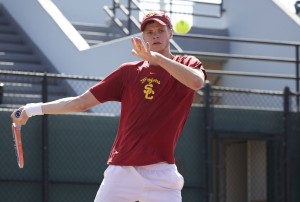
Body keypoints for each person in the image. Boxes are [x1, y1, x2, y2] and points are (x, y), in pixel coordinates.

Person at [11, 11, 207, 202]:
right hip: (122, 171)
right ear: (143, 36)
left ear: (170, 33)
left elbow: (197, 82)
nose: (155, 34)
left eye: (160, 30)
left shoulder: (187, 63)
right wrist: (31, 109)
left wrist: (157, 59)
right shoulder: (128, 73)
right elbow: (80, 103)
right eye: (149, 31)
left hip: (162, 174)